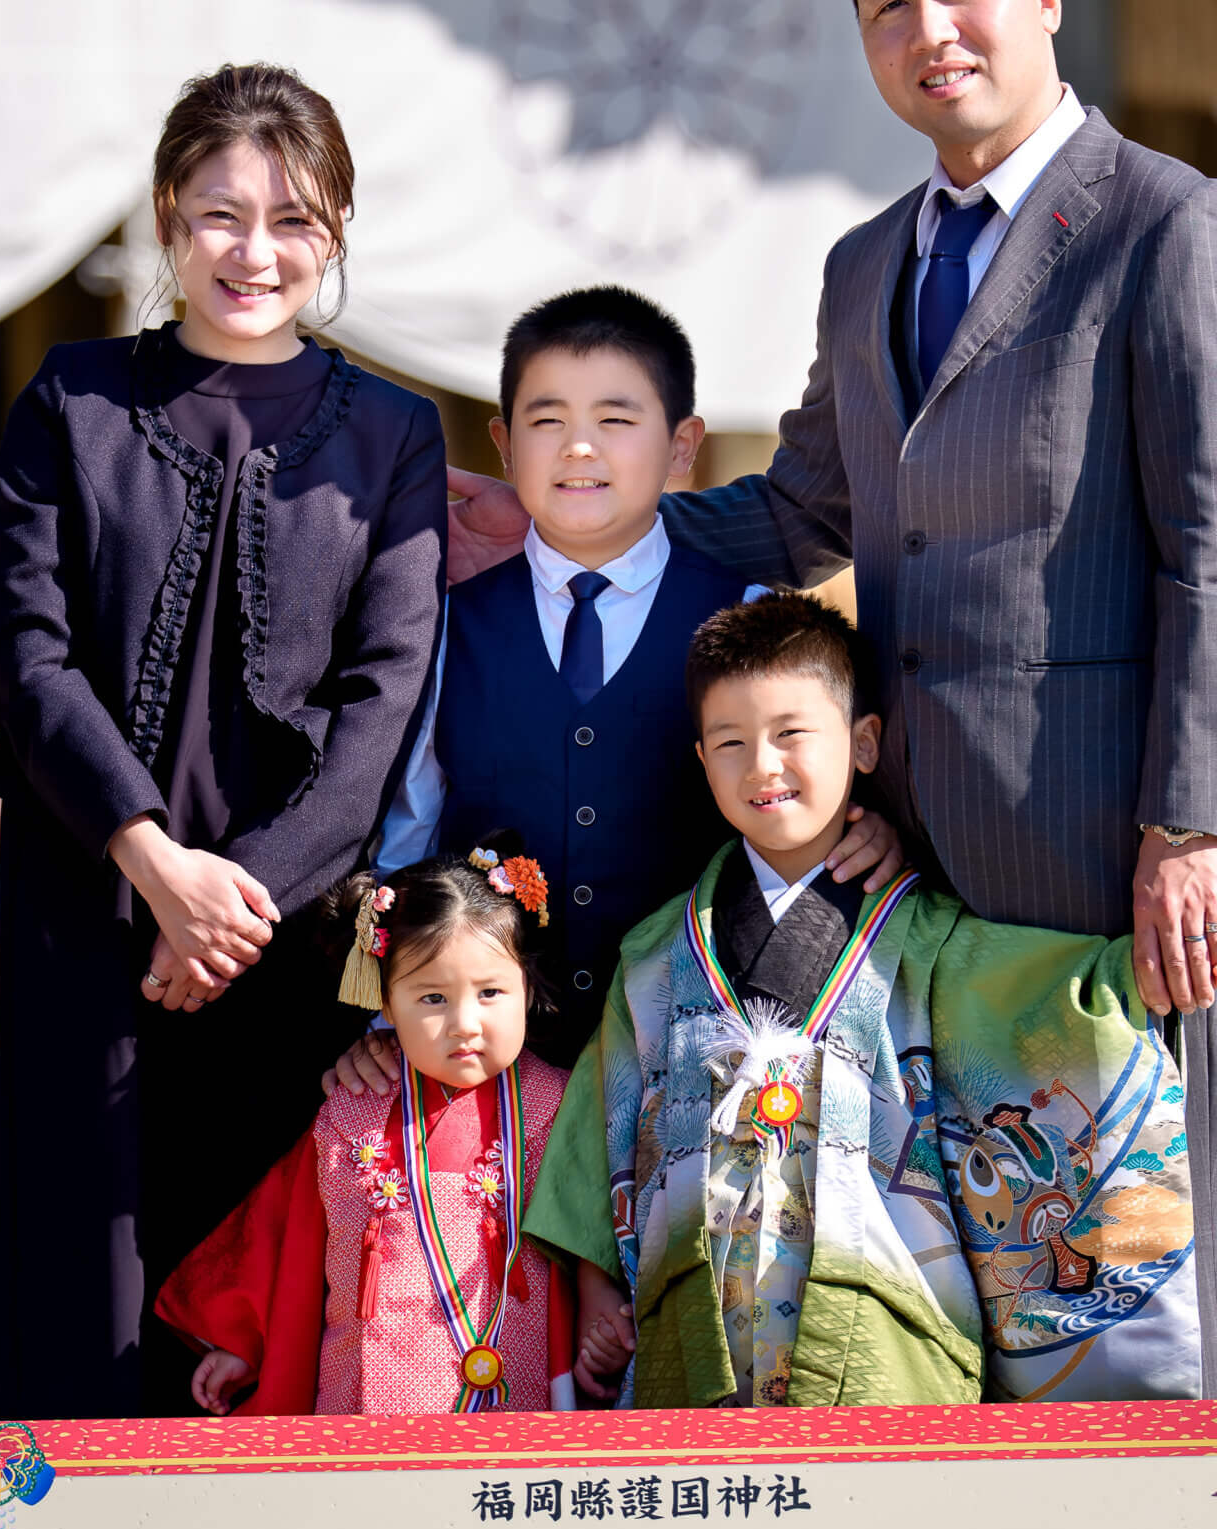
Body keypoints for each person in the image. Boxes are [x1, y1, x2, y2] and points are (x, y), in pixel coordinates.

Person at [454, 0, 1217, 1397]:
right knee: (980, 1312)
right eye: (887, 6)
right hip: (922, 867)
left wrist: (1193, 828)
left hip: (1127, 863)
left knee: (1155, 1311)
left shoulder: (1170, 229)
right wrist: (560, 509)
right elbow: (803, 513)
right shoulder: (870, 266)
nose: (931, 30)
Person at [0, 63, 446, 1419]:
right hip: (87, 909)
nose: (257, 252)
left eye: (295, 220)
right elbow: (29, 660)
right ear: (171, 220)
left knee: (272, 1304)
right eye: (222, 215)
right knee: (84, 1290)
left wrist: (233, 906)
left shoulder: (394, 433)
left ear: (337, 233)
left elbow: (384, 704)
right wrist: (156, 874)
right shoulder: (71, 407)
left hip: (283, 947)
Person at [531, 595, 1217, 1410]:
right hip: (698, 1322)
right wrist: (595, 1284)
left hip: (883, 1326)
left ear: (864, 743)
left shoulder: (926, 940)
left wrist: (1127, 979)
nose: (763, 765)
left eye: (793, 734)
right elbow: (605, 1135)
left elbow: (1033, 998)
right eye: (731, 743)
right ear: (700, 759)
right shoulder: (654, 957)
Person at [338, 285, 899, 1081]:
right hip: (491, 1065)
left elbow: (806, 792)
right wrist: (384, 1021)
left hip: (701, 1053)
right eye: (547, 421)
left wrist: (869, 823)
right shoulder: (440, 626)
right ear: (503, 443)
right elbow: (408, 838)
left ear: (682, 446)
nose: (578, 448)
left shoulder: (749, 617)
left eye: (616, 419)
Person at [156, 847, 580, 1414]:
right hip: (368, 1399)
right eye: (432, 998)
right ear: (384, 1001)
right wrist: (246, 1342)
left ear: (527, 985)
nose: (465, 1024)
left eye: (491, 992)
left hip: (515, 1396)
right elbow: (289, 1239)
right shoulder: (353, 1110)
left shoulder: (559, 1104)